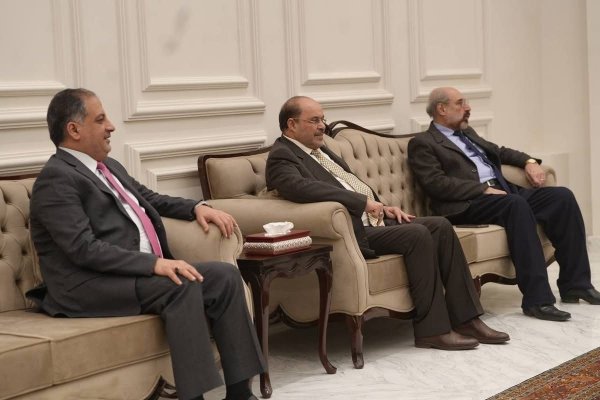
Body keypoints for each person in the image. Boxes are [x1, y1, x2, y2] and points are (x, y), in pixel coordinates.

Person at [26, 88, 264, 400]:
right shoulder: (56, 179)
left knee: (226, 276)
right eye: (100, 120)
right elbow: (83, 248)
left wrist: (196, 207)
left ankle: (241, 394)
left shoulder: (108, 166)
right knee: (181, 284)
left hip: (129, 275)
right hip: (88, 284)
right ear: (74, 129)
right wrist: (154, 264)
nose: (111, 126)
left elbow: (150, 199)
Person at [265, 95, 510, 351]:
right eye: (314, 120)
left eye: (323, 119)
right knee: (417, 235)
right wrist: (362, 203)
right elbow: (300, 188)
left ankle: (468, 320)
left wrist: (383, 206)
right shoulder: (282, 156)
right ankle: (433, 330)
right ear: (291, 124)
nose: (322, 126)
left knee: (440, 227)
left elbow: (349, 183)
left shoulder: (320, 150)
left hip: (374, 220)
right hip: (353, 232)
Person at [407, 86, 600, 322]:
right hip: (468, 203)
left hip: (503, 194)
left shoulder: (467, 133)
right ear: (442, 109)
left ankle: (576, 284)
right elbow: (435, 183)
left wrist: (529, 162)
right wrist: (481, 189)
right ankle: (537, 300)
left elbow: (500, 152)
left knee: (562, 197)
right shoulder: (423, 143)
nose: (468, 108)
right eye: (460, 103)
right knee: (515, 205)